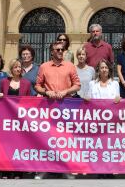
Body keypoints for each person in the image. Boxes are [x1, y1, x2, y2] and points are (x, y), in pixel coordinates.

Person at [34, 41, 80, 180]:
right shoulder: (44, 66)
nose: (60, 51)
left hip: (66, 106)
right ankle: (43, 169)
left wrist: (65, 91)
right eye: (57, 49)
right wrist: (46, 92)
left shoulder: (70, 66)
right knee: (47, 138)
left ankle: (67, 170)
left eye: (62, 49)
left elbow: (77, 85)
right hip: (48, 107)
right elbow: (37, 86)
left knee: (65, 139)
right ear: (52, 52)